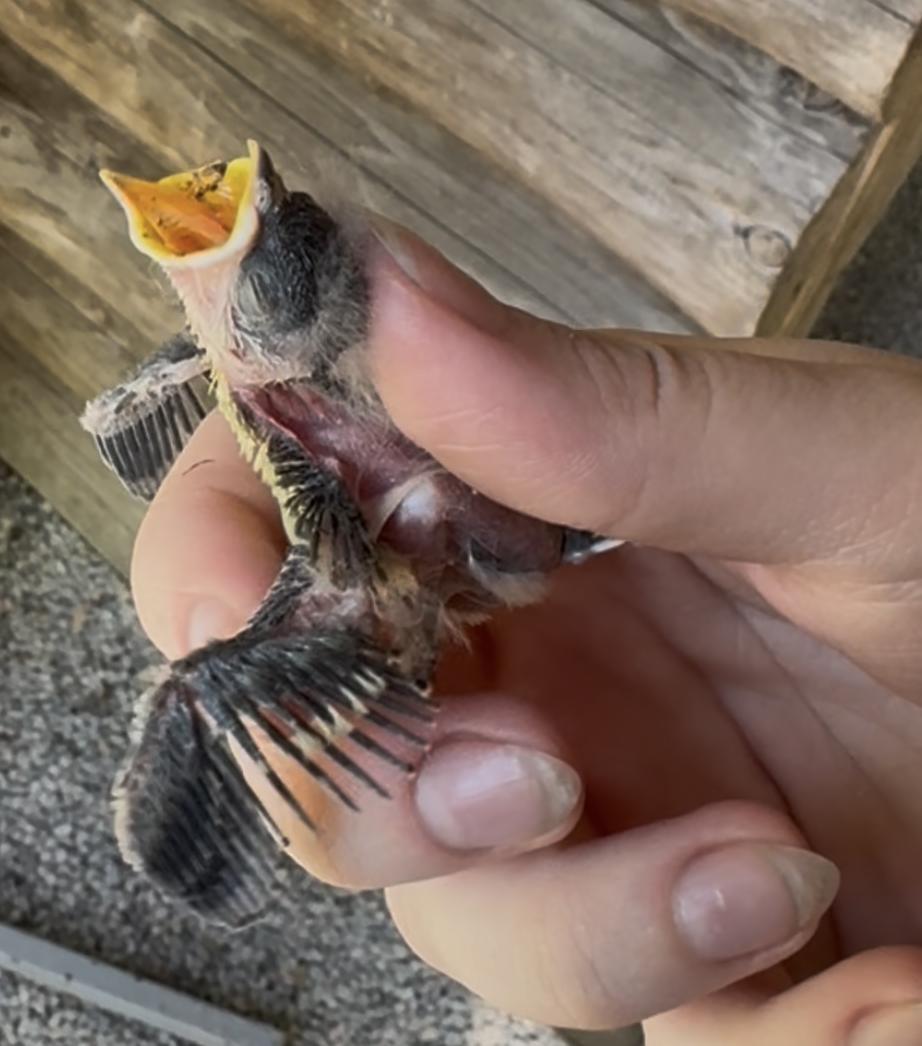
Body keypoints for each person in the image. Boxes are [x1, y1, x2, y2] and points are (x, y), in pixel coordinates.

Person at [130, 226, 922, 1046]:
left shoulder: (352, 367)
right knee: (232, 673)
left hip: (468, 534)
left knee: (228, 668)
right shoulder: (259, 382)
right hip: (463, 546)